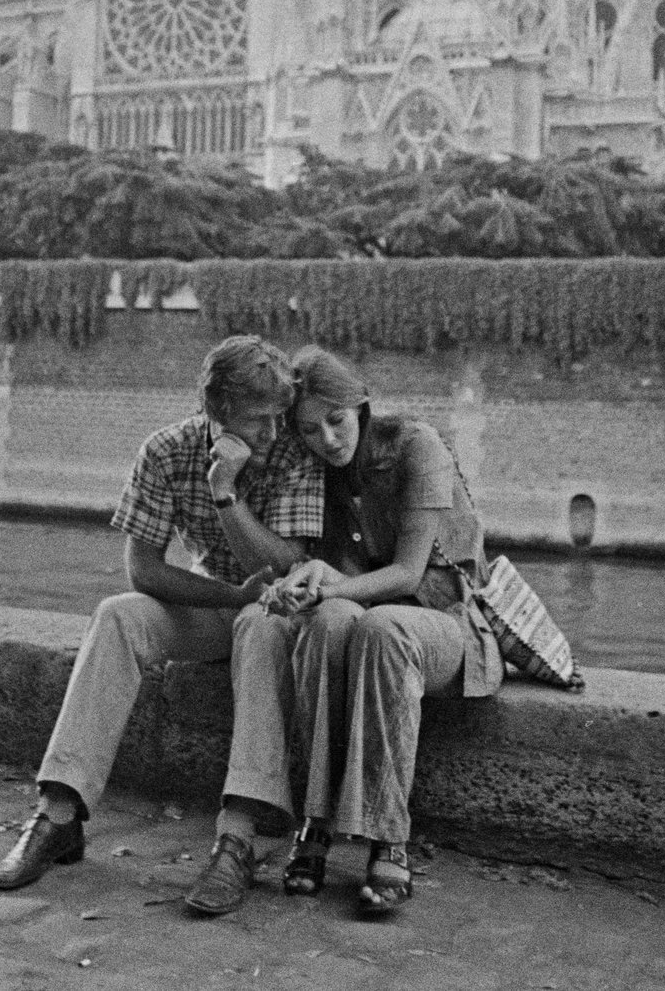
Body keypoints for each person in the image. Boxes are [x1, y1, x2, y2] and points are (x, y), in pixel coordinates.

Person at [0, 334, 325, 908]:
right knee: (117, 615)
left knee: (260, 624)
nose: (272, 432)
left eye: (278, 416)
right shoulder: (166, 450)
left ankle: (237, 838)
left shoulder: (294, 451)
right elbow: (142, 570)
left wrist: (225, 495)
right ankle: (58, 815)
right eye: (256, 419)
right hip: (221, 601)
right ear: (216, 415)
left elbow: (282, 568)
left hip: (281, 614)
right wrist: (224, 594)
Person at [260, 345, 503, 916]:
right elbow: (341, 584)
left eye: (337, 421)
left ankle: (389, 837)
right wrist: (310, 581)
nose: (328, 439)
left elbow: (408, 574)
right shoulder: (315, 473)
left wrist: (328, 584)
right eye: (311, 430)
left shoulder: (416, 446)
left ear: (361, 407)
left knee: (380, 626)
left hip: (449, 626)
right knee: (326, 621)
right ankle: (315, 825)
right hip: (373, 623)